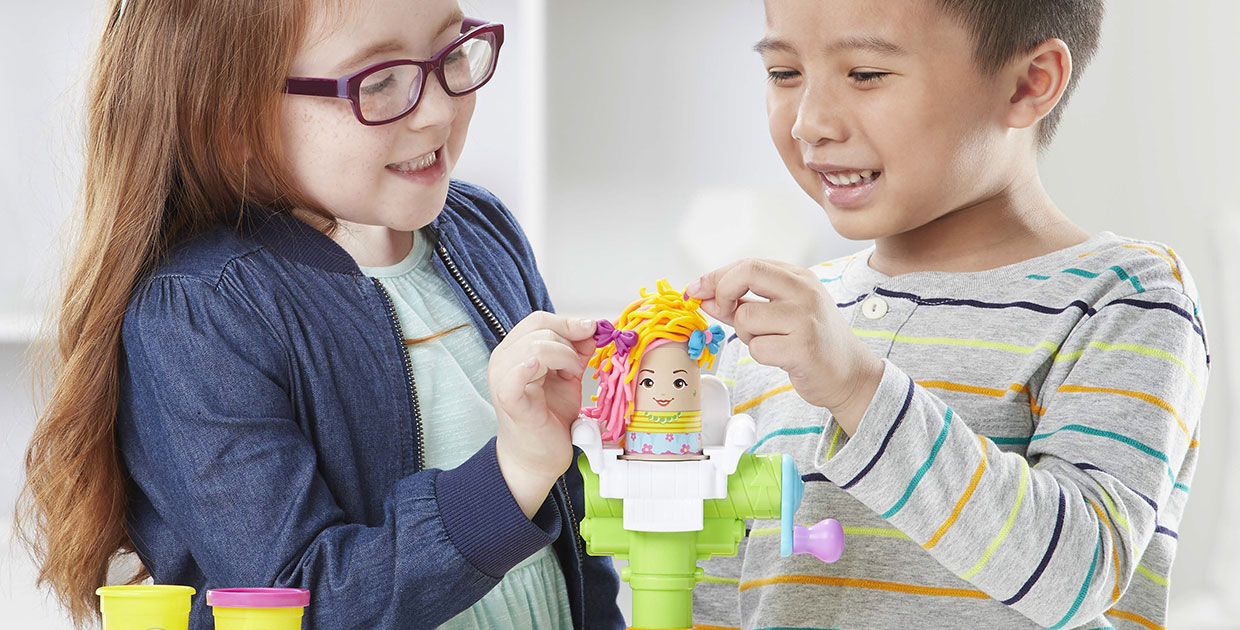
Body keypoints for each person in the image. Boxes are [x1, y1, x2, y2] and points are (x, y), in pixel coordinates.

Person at [18, 1, 623, 628]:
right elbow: (294, 599)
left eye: (451, 51)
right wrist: (511, 476)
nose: (439, 110)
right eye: (380, 81)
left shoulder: (484, 232)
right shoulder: (203, 311)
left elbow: (577, 528)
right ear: (229, 119)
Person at [687, 1, 1207, 628]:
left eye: (866, 73)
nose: (809, 123)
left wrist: (858, 388)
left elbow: (1079, 575)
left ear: (1028, 83)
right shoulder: (774, 329)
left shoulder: (1124, 297)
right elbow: (713, 595)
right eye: (784, 73)